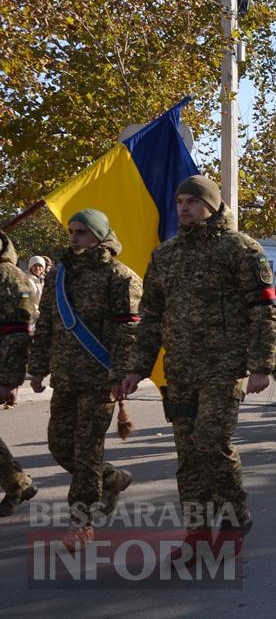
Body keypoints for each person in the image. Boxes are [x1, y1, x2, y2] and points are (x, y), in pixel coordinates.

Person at [118, 176, 276, 554]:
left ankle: (236, 514)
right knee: (188, 455)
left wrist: (261, 365)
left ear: (211, 205)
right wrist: (137, 367)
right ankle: (197, 532)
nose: (184, 208)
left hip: (224, 367)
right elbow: (151, 315)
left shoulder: (240, 249)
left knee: (211, 442)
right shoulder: (166, 255)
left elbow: (263, 310)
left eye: (192, 201)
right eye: (180, 202)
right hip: (181, 369)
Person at [29, 209, 142, 550]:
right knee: (60, 446)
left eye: (81, 232)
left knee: (87, 450)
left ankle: (81, 521)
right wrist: (37, 368)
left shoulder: (119, 277)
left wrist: (121, 374)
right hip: (65, 377)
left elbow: (130, 331)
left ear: (98, 236)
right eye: (71, 231)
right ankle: (113, 478)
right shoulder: (59, 275)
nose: (74, 237)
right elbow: (46, 323)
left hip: (100, 378)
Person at [0, 232, 38, 516]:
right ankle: (19, 485)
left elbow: (18, 332)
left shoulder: (10, 276)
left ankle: (18, 485)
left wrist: (10, 379)